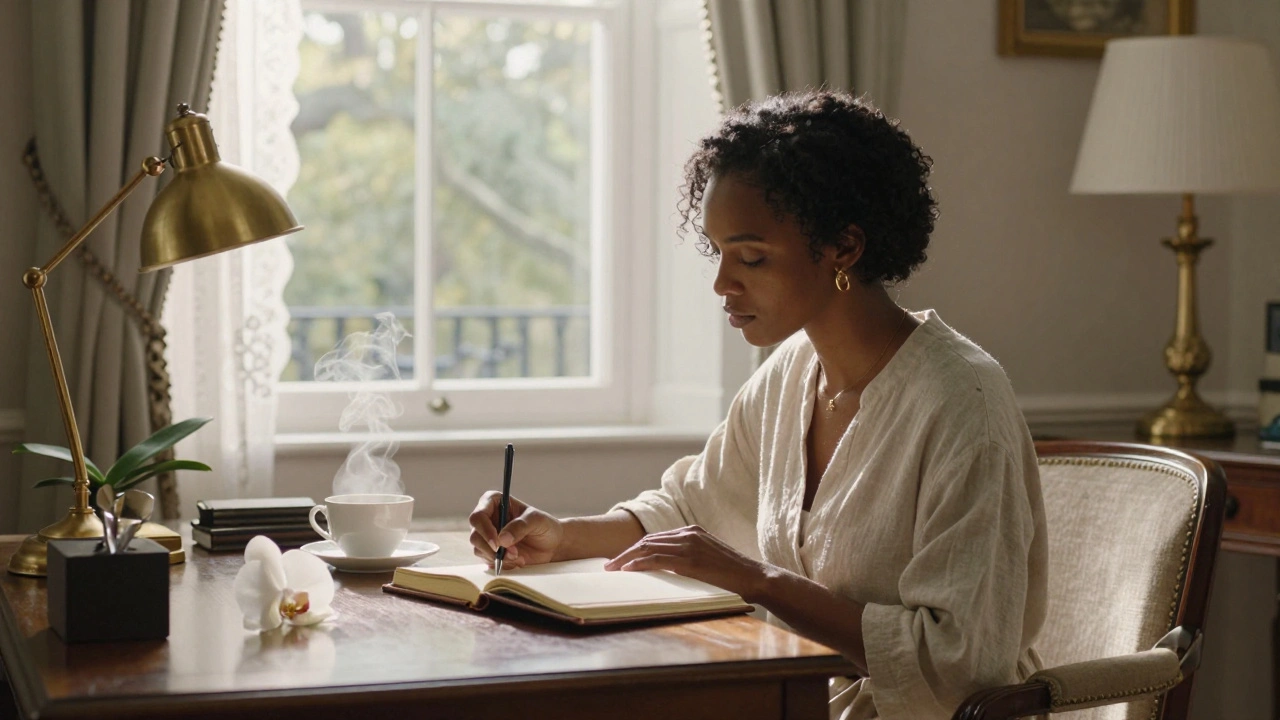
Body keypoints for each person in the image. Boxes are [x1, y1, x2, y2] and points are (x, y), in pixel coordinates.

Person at [469, 90, 1047, 720]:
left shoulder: (963, 404)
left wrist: (756, 579)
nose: (722, 284)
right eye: (718, 254)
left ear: (844, 249)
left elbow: (959, 664)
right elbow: (693, 508)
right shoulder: (790, 374)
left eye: (751, 257)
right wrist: (562, 537)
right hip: (794, 700)